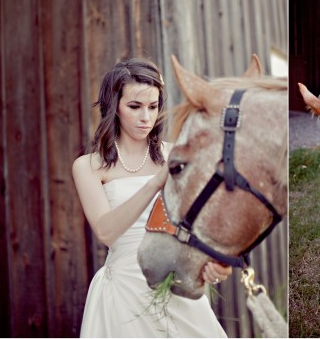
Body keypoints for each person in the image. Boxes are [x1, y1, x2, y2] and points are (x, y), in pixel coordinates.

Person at [72, 58, 230, 337]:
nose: (146, 117)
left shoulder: (176, 154)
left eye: (153, 106)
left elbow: (199, 223)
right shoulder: (88, 166)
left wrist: (213, 262)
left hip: (174, 283)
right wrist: (154, 183)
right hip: (124, 291)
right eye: (134, 106)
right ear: (114, 107)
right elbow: (105, 231)